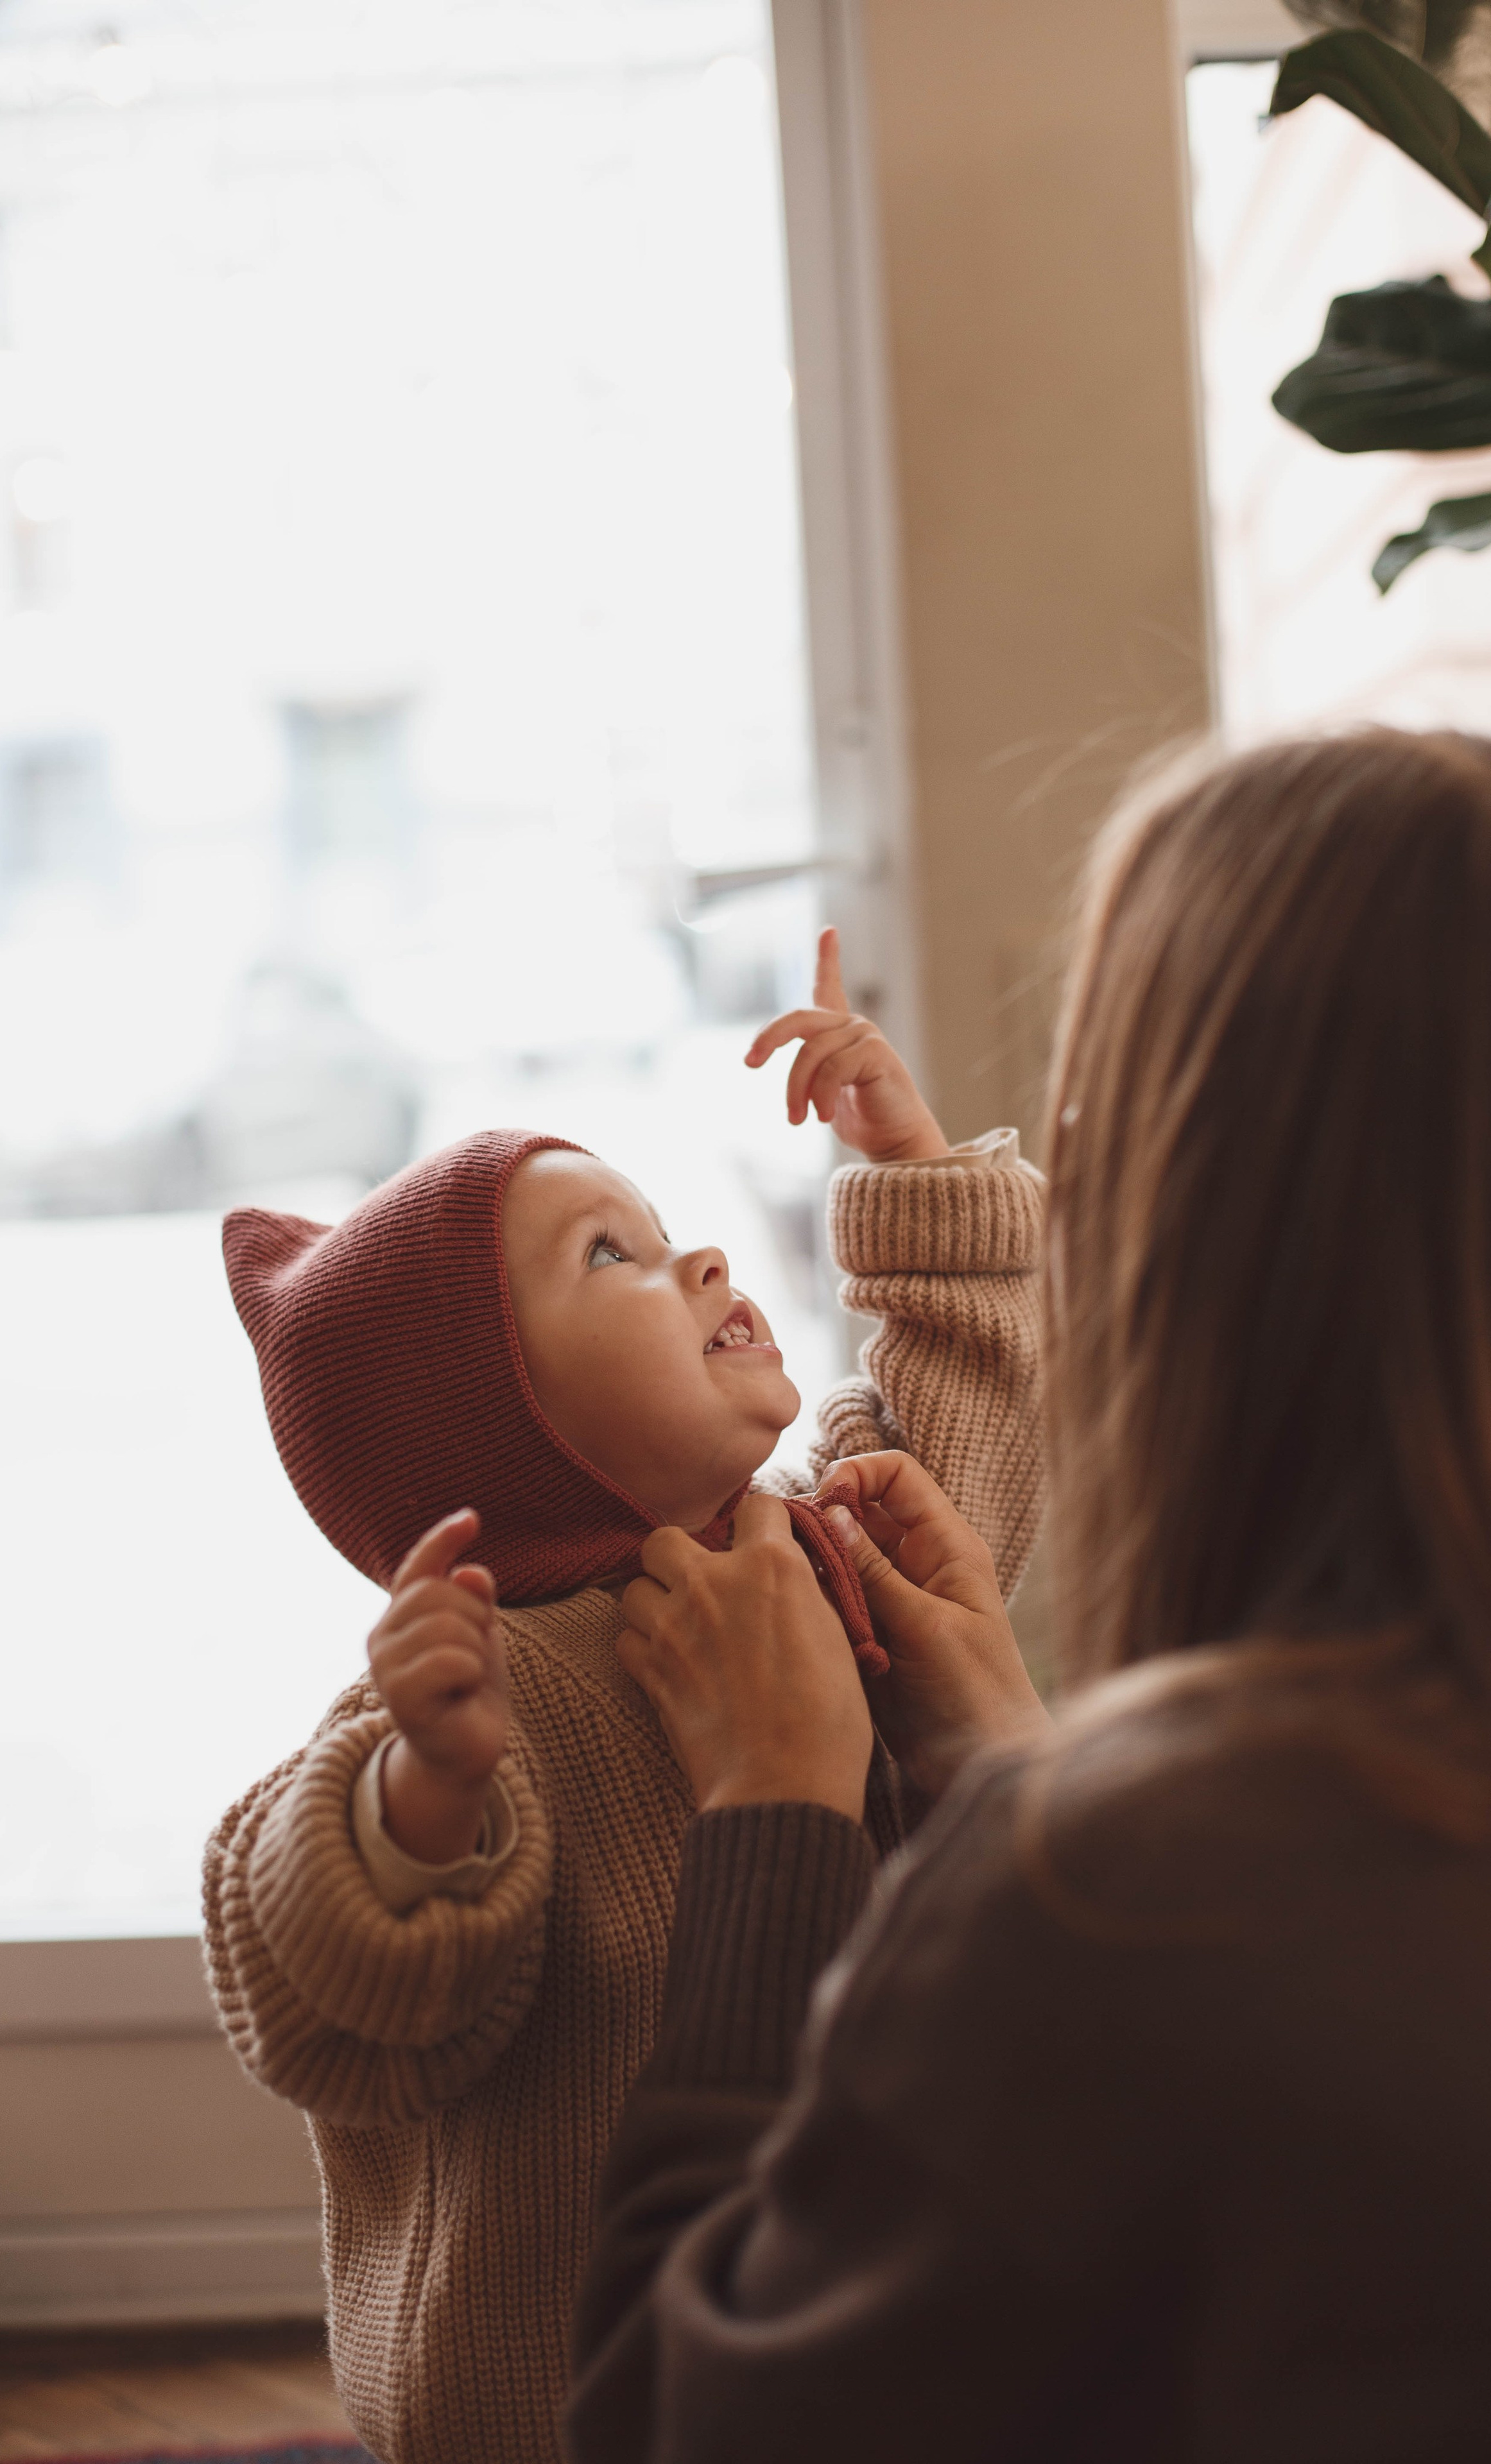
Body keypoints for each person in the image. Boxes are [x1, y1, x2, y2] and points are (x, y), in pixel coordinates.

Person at [569, 730, 1491, 2464]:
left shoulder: (1123, 1909)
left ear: (1175, 1212)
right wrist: (1025, 1773)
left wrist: (777, 1816)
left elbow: (676, 2425)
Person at [200, 931, 1047, 2464]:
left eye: (664, 1230)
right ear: (484, 1426)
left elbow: (955, 1438)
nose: (704, 1259)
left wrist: (908, 1168)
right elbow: (321, 1982)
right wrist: (421, 1792)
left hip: (847, 2333)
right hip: (558, 2406)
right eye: (613, 1258)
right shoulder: (484, 1686)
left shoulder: (815, 1543)